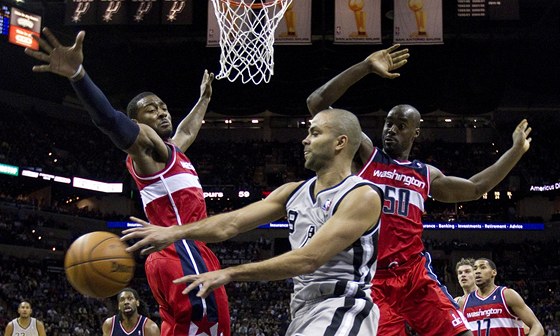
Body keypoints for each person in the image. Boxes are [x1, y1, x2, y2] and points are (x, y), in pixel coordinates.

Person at [306, 44, 532, 336]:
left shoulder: (426, 175)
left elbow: (477, 187)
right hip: (373, 278)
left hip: (414, 274)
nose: (390, 130)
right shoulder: (367, 156)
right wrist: (364, 66)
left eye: (400, 126)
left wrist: (515, 150)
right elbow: (317, 105)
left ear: (415, 132)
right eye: (388, 123)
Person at [24, 28, 230, 336]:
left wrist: (203, 100)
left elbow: (186, 133)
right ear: (138, 122)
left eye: (162, 106)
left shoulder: (168, 152)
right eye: (151, 109)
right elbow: (108, 120)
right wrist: (78, 74)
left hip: (174, 253)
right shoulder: (144, 144)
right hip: (181, 250)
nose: (161, 111)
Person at [122, 109, 385, 335]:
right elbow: (231, 223)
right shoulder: (293, 192)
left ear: (340, 143)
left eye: (315, 133)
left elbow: (308, 259)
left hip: (344, 305)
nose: (305, 140)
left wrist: (231, 272)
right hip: (304, 310)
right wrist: (173, 232)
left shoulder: (362, 195)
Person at [460, 258, 544, 336]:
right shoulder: (464, 302)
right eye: (475, 269)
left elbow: (537, 326)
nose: (477, 271)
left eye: (482, 267)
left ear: (494, 272)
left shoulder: (507, 295)